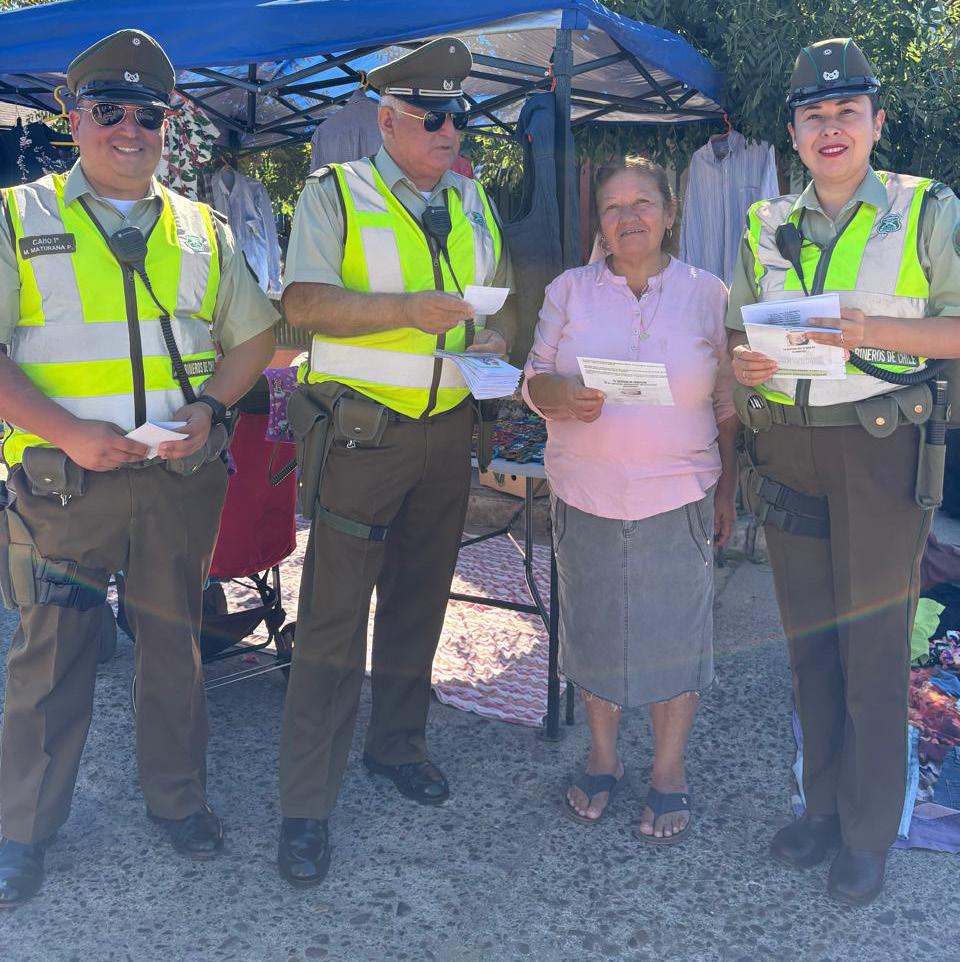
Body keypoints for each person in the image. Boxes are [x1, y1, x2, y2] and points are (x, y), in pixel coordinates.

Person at [0, 29, 277, 906]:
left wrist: (212, 409)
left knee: (175, 649)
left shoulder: (204, 228)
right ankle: (21, 831)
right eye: (109, 110)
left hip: (174, 484)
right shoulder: (18, 215)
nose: (130, 129)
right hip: (65, 487)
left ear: (168, 124)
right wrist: (67, 432)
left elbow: (255, 337)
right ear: (73, 118)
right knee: (51, 658)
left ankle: (179, 801)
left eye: (147, 114)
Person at [276, 38, 514, 886]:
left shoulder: (474, 201)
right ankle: (306, 804)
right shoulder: (336, 193)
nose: (452, 131)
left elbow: (494, 304)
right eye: (434, 117)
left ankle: (397, 746)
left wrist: (491, 339)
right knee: (333, 620)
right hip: (361, 435)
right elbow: (303, 303)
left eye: (459, 117)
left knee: (420, 601)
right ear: (388, 121)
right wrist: (406, 311)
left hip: (447, 430)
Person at [727, 38, 960, 906]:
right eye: (814, 115)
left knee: (871, 651)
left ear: (876, 123)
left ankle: (867, 833)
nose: (831, 128)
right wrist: (747, 363)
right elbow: (748, 331)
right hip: (789, 445)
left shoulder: (926, 208)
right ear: (793, 132)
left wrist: (873, 330)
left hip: (879, 449)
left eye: (847, 112)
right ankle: (820, 808)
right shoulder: (764, 220)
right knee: (810, 645)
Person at [523, 157, 738, 842]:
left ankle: (668, 769)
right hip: (585, 493)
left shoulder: (708, 294)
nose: (628, 217)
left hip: (680, 494)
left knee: (675, 638)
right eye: (612, 207)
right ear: (601, 224)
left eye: (642, 202)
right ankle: (603, 756)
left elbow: (727, 402)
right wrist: (561, 395)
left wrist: (729, 489)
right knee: (593, 632)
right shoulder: (568, 291)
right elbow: (532, 381)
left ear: (670, 214)